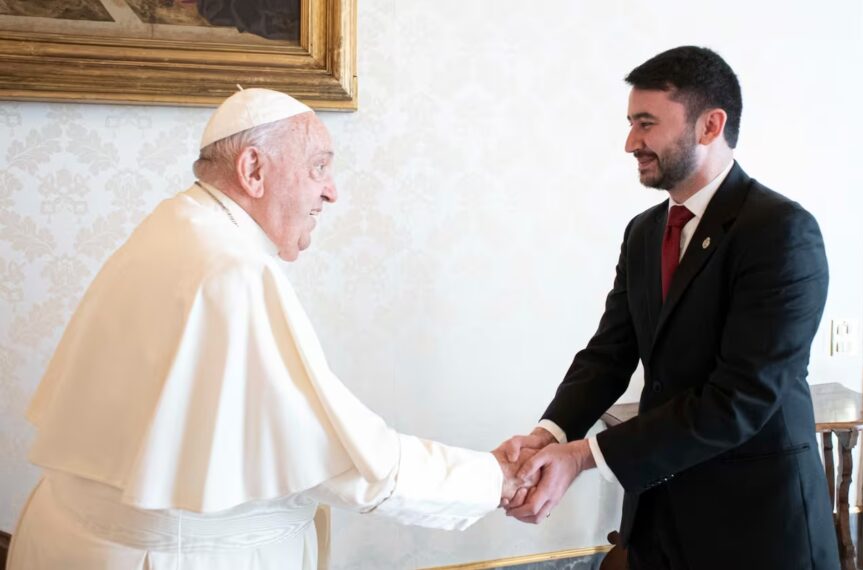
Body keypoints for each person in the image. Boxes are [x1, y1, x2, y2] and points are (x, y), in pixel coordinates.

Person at [8, 88, 531, 570]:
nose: (331, 193)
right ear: (253, 169)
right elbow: (344, 460)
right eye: (319, 167)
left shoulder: (174, 223)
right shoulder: (232, 270)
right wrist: (492, 480)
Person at [500, 46, 839, 570]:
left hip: (756, 529)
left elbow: (741, 399)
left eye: (646, 123)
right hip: (658, 520)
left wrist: (582, 458)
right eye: (631, 123)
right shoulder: (643, 233)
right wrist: (549, 437)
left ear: (710, 126)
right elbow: (609, 354)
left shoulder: (780, 232)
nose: (630, 142)